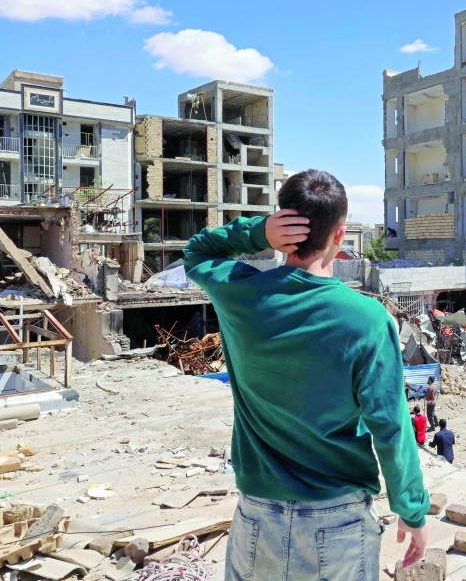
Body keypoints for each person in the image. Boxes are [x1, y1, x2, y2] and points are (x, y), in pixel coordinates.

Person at [184, 170, 429, 579]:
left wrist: (257, 233)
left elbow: (197, 252)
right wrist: (411, 509)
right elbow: (390, 426)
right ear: (339, 234)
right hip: (338, 523)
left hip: (256, 518)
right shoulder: (368, 319)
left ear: (284, 226)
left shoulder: (241, 294)